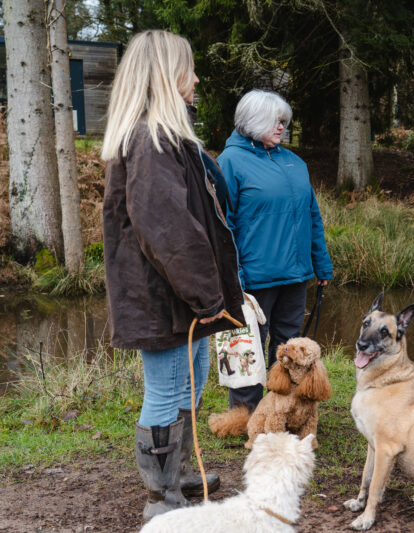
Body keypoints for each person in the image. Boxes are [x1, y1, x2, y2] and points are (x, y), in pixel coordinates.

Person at [101, 30, 245, 520]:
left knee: (191, 382)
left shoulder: (169, 139)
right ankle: (160, 499)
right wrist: (209, 297)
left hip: (182, 298)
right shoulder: (149, 141)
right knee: (166, 389)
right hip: (163, 298)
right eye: (189, 68)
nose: (197, 78)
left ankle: (178, 473)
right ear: (166, 74)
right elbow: (168, 230)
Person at [216, 89, 333, 413]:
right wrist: (234, 279)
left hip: (295, 276)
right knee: (246, 349)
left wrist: (321, 265)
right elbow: (223, 227)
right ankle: (245, 416)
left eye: (284, 121)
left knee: (288, 351)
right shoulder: (230, 163)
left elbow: (312, 215)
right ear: (252, 122)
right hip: (253, 281)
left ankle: (285, 411)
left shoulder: (294, 163)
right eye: (274, 121)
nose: (281, 127)